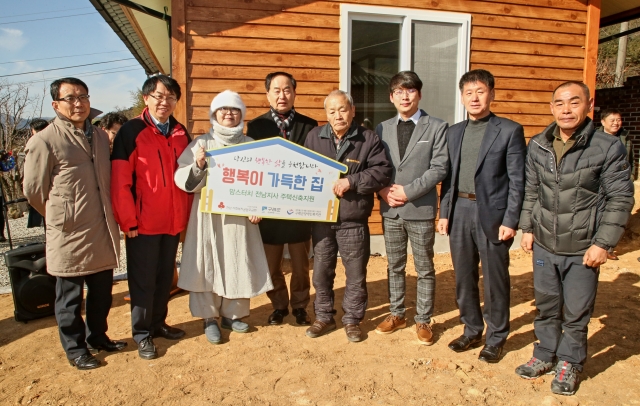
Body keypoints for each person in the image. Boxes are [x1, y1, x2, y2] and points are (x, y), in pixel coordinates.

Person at [516, 81, 634, 395]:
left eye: (574, 102)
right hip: (544, 243)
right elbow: (531, 192)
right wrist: (527, 228)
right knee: (546, 304)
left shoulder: (607, 146)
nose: (566, 110)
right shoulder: (539, 143)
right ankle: (544, 352)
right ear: (551, 107)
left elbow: (620, 198)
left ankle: (570, 361)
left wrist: (603, 243)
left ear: (588, 104)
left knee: (577, 310)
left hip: (583, 247)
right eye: (559, 103)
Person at [23, 77, 125, 370]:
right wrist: (60, 214)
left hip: (101, 226)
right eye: (70, 98)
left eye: (83, 96)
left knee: (102, 291)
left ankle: (98, 337)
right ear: (55, 104)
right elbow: (33, 191)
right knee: (69, 296)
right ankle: (75, 348)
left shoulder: (99, 137)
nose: (78, 103)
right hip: (68, 231)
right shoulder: (44, 141)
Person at [438, 69, 526, 363]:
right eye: (468, 93)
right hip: (459, 210)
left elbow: (517, 180)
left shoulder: (509, 130)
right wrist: (444, 213)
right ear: (462, 97)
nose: (474, 98)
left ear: (492, 94)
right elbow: (448, 178)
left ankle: (496, 336)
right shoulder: (454, 132)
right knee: (463, 277)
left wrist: (511, 220)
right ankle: (472, 328)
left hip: (493, 214)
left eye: (480, 91)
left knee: (495, 279)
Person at [175, 90, 273, 344]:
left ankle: (234, 314)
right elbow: (182, 179)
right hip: (207, 216)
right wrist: (197, 166)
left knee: (238, 258)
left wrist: (258, 206)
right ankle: (209, 318)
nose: (229, 114)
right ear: (214, 114)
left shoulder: (252, 144)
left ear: (241, 114)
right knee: (206, 261)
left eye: (234, 110)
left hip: (240, 217)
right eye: (223, 110)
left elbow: (263, 181)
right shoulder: (201, 143)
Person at [111, 75, 192, 360]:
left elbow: (189, 177)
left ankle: (159, 323)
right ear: (146, 98)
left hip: (172, 221)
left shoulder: (181, 132)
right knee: (142, 280)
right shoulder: (131, 131)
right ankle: (142, 333)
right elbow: (120, 181)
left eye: (170, 97)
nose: (164, 102)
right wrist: (128, 221)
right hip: (142, 223)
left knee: (163, 277)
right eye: (159, 96)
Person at [303, 90, 392, 342]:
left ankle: (352, 320)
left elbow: (382, 171)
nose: (338, 115)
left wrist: (351, 181)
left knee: (355, 273)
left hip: (353, 218)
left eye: (342, 109)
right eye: (332, 111)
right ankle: (323, 316)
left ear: (352, 111)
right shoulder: (314, 137)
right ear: (326, 114)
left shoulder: (367, 138)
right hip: (322, 218)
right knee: (321, 271)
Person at [374, 71, 449, 345]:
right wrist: (382, 191)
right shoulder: (381, 128)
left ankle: (423, 319)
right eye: (399, 91)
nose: (405, 96)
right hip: (390, 208)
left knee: (424, 267)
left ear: (419, 94)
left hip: (419, 208)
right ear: (391, 97)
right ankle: (397, 313)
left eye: (410, 90)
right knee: (394, 265)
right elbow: (376, 166)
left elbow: (439, 167)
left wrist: (408, 190)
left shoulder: (437, 127)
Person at [247, 72, 318, 326]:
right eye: (276, 90)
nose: (282, 95)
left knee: (300, 265)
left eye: (287, 90)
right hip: (268, 208)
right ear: (267, 94)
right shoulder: (256, 127)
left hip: (299, 209)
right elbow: (253, 168)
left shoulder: (310, 126)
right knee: (272, 263)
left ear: (294, 93)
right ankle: (278, 305)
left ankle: (300, 305)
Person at [598, 108, 633, 260]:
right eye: (612, 120)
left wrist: (631, 176)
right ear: (603, 122)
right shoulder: (595, 139)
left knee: (616, 214)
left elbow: (630, 159)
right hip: (601, 182)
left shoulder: (624, 137)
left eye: (618, 120)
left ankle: (608, 247)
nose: (616, 123)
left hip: (620, 181)